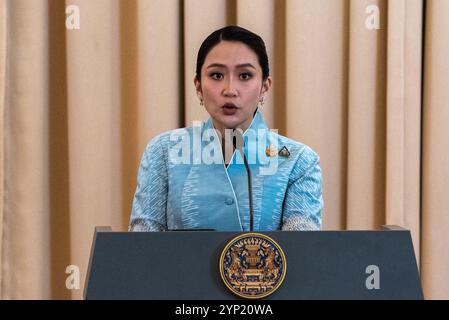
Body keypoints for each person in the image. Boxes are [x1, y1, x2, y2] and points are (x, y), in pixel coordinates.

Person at [129, 26, 323, 232]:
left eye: (245, 76)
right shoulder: (163, 151)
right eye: (216, 75)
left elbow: (302, 251)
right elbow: (143, 245)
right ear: (198, 87)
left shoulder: (298, 160)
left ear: (264, 87)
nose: (230, 90)